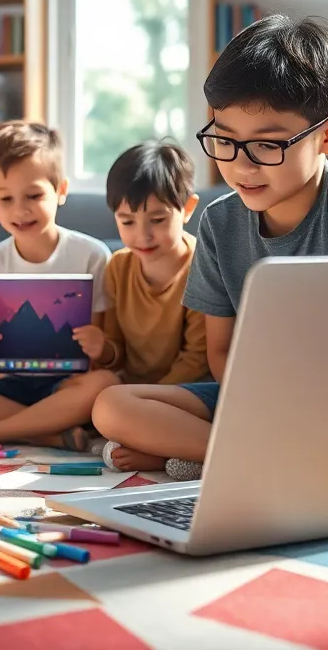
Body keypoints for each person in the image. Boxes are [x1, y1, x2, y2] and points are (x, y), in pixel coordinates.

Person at [92, 14, 328, 480]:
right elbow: (222, 353)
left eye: (267, 147)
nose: (242, 166)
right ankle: (267, 453)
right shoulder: (220, 221)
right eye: (225, 141)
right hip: (254, 398)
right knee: (111, 406)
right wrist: (267, 407)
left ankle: (212, 454)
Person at [0, 121, 118, 452]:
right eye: (6, 198)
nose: (20, 210)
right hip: (7, 384)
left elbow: (100, 354)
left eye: (34, 195)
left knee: (105, 385)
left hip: (67, 383)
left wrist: (101, 347)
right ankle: (48, 433)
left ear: (61, 190)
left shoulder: (92, 255)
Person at [87, 141, 209, 468]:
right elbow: (117, 352)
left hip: (184, 395)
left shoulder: (202, 266)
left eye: (157, 219)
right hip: (131, 395)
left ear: (187, 209)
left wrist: (146, 403)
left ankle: (163, 449)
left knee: (115, 416)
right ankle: (160, 449)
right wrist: (103, 350)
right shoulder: (118, 266)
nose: (142, 236)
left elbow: (196, 361)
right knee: (99, 398)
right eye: (127, 222)